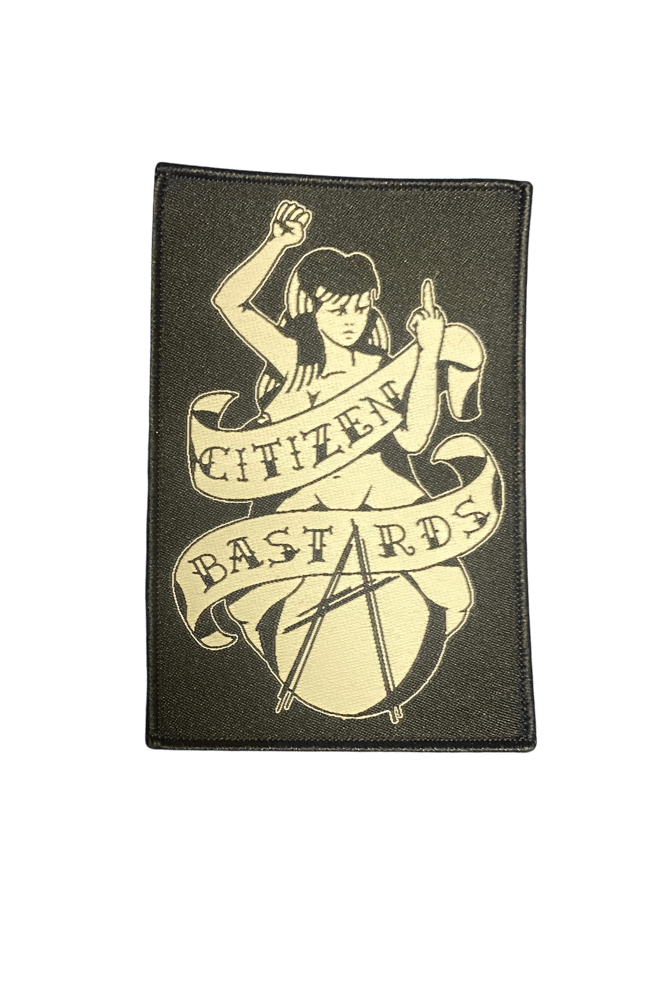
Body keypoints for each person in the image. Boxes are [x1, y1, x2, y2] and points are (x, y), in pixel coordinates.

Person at [211, 200, 473, 656]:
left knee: (456, 595)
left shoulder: (379, 368)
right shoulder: (294, 359)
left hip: (383, 498)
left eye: (361, 308)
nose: (351, 321)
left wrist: (429, 351)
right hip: (307, 505)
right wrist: (278, 242)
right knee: (251, 603)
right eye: (337, 310)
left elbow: (414, 438)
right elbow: (228, 302)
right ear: (312, 308)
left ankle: (407, 666)